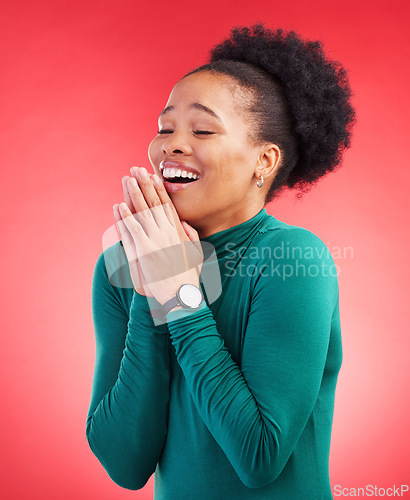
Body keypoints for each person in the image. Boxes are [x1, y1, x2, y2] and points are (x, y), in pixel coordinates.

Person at [86, 23, 355, 499]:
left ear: (265, 161)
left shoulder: (291, 258)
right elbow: (124, 464)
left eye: (203, 129)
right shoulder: (119, 268)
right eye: (165, 127)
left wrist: (180, 297)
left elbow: (259, 457)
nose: (172, 143)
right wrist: (151, 292)